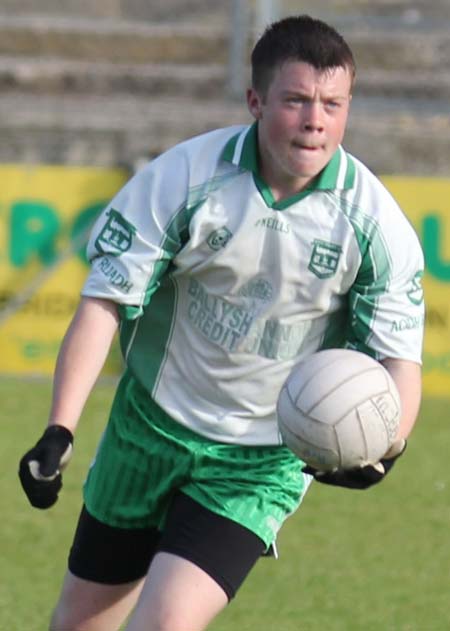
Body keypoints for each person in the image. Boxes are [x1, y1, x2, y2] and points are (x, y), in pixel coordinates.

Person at [19, 14, 424, 631]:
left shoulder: (376, 226)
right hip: (148, 429)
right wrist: (60, 429)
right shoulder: (184, 178)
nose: (316, 119)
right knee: (77, 622)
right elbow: (104, 300)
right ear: (256, 101)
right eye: (296, 100)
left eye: (333, 103)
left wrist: (386, 446)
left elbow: (399, 363)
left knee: (166, 623)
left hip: (260, 460)